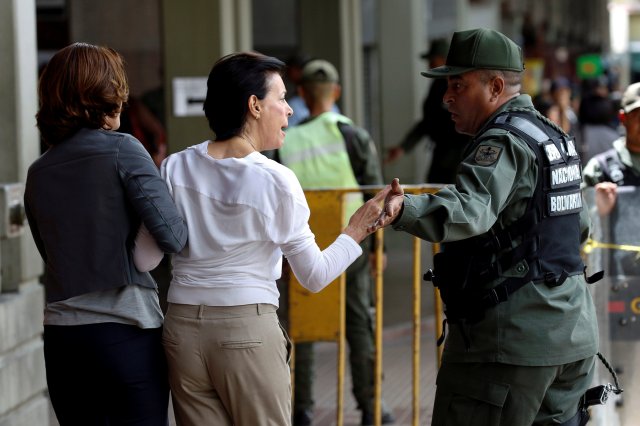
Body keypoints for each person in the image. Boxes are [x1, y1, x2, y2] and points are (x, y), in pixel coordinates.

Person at [373, 28, 600, 425]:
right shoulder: (553, 137)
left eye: (458, 85)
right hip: (572, 337)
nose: (447, 98)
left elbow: (470, 208)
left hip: (508, 346)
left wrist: (402, 208)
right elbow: (578, 225)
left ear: (495, 86)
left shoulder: (503, 140)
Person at [158, 51, 391, 426]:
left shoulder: (174, 166)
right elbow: (313, 276)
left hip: (181, 330)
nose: (290, 111)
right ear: (253, 105)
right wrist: (357, 229)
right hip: (245, 330)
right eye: (281, 99)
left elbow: (153, 251)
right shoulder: (275, 178)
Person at [24, 42, 188, 425]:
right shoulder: (124, 149)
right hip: (124, 334)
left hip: (63, 340)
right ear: (106, 93)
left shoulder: (39, 170)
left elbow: (51, 252)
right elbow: (174, 236)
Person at [277, 59, 395, 426]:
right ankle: (372, 407)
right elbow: (378, 201)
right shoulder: (353, 135)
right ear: (337, 93)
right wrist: (380, 250)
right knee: (359, 326)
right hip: (351, 244)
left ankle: (303, 410)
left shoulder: (286, 140)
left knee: (306, 327)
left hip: (303, 245)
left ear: (301, 95)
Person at [385, 38, 470, 184]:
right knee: (433, 191)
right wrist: (404, 147)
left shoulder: (463, 86)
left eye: (433, 60)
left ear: (444, 60)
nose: (430, 64)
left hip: (461, 155)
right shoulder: (437, 86)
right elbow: (428, 122)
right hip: (441, 153)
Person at [583, 81, 640, 215]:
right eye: (637, 115)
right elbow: (579, 222)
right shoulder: (600, 168)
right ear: (623, 118)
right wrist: (598, 209)